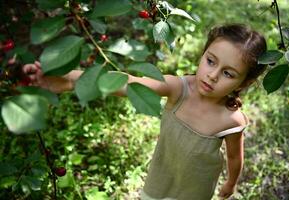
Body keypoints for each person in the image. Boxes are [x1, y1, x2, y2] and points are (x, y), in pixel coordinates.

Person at [23, 23, 267, 199]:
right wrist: (67, 80)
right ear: (203, 54)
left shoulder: (231, 119)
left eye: (228, 73)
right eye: (210, 61)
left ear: (243, 83)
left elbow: (234, 156)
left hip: (197, 188)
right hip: (162, 173)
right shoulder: (177, 88)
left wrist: (231, 183)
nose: (212, 75)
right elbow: (128, 82)